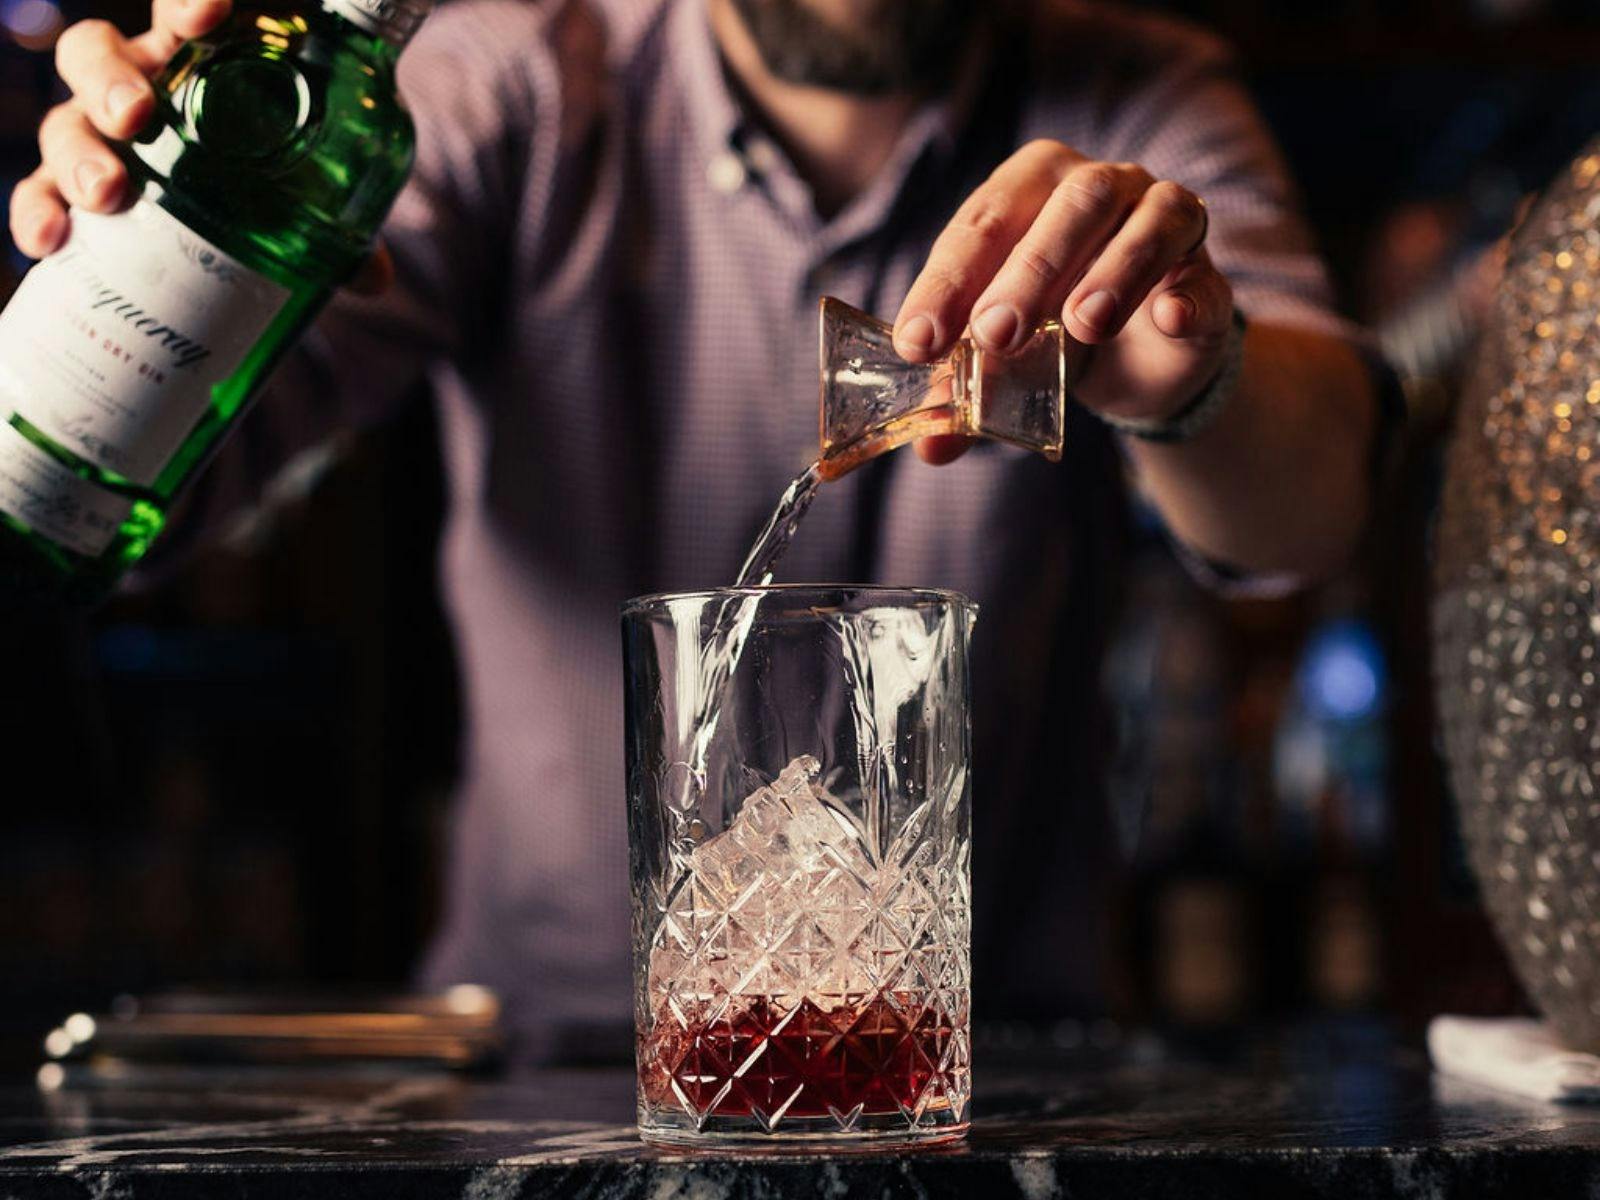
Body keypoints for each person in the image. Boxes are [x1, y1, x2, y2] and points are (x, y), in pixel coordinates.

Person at [9, 0, 1380, 1048]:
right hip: (553, 1083)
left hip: (992, 1085)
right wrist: (133, 240)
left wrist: (1192, 374)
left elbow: (1314, 510)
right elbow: (142, 494)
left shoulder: (1140, 90)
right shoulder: (514, 87)